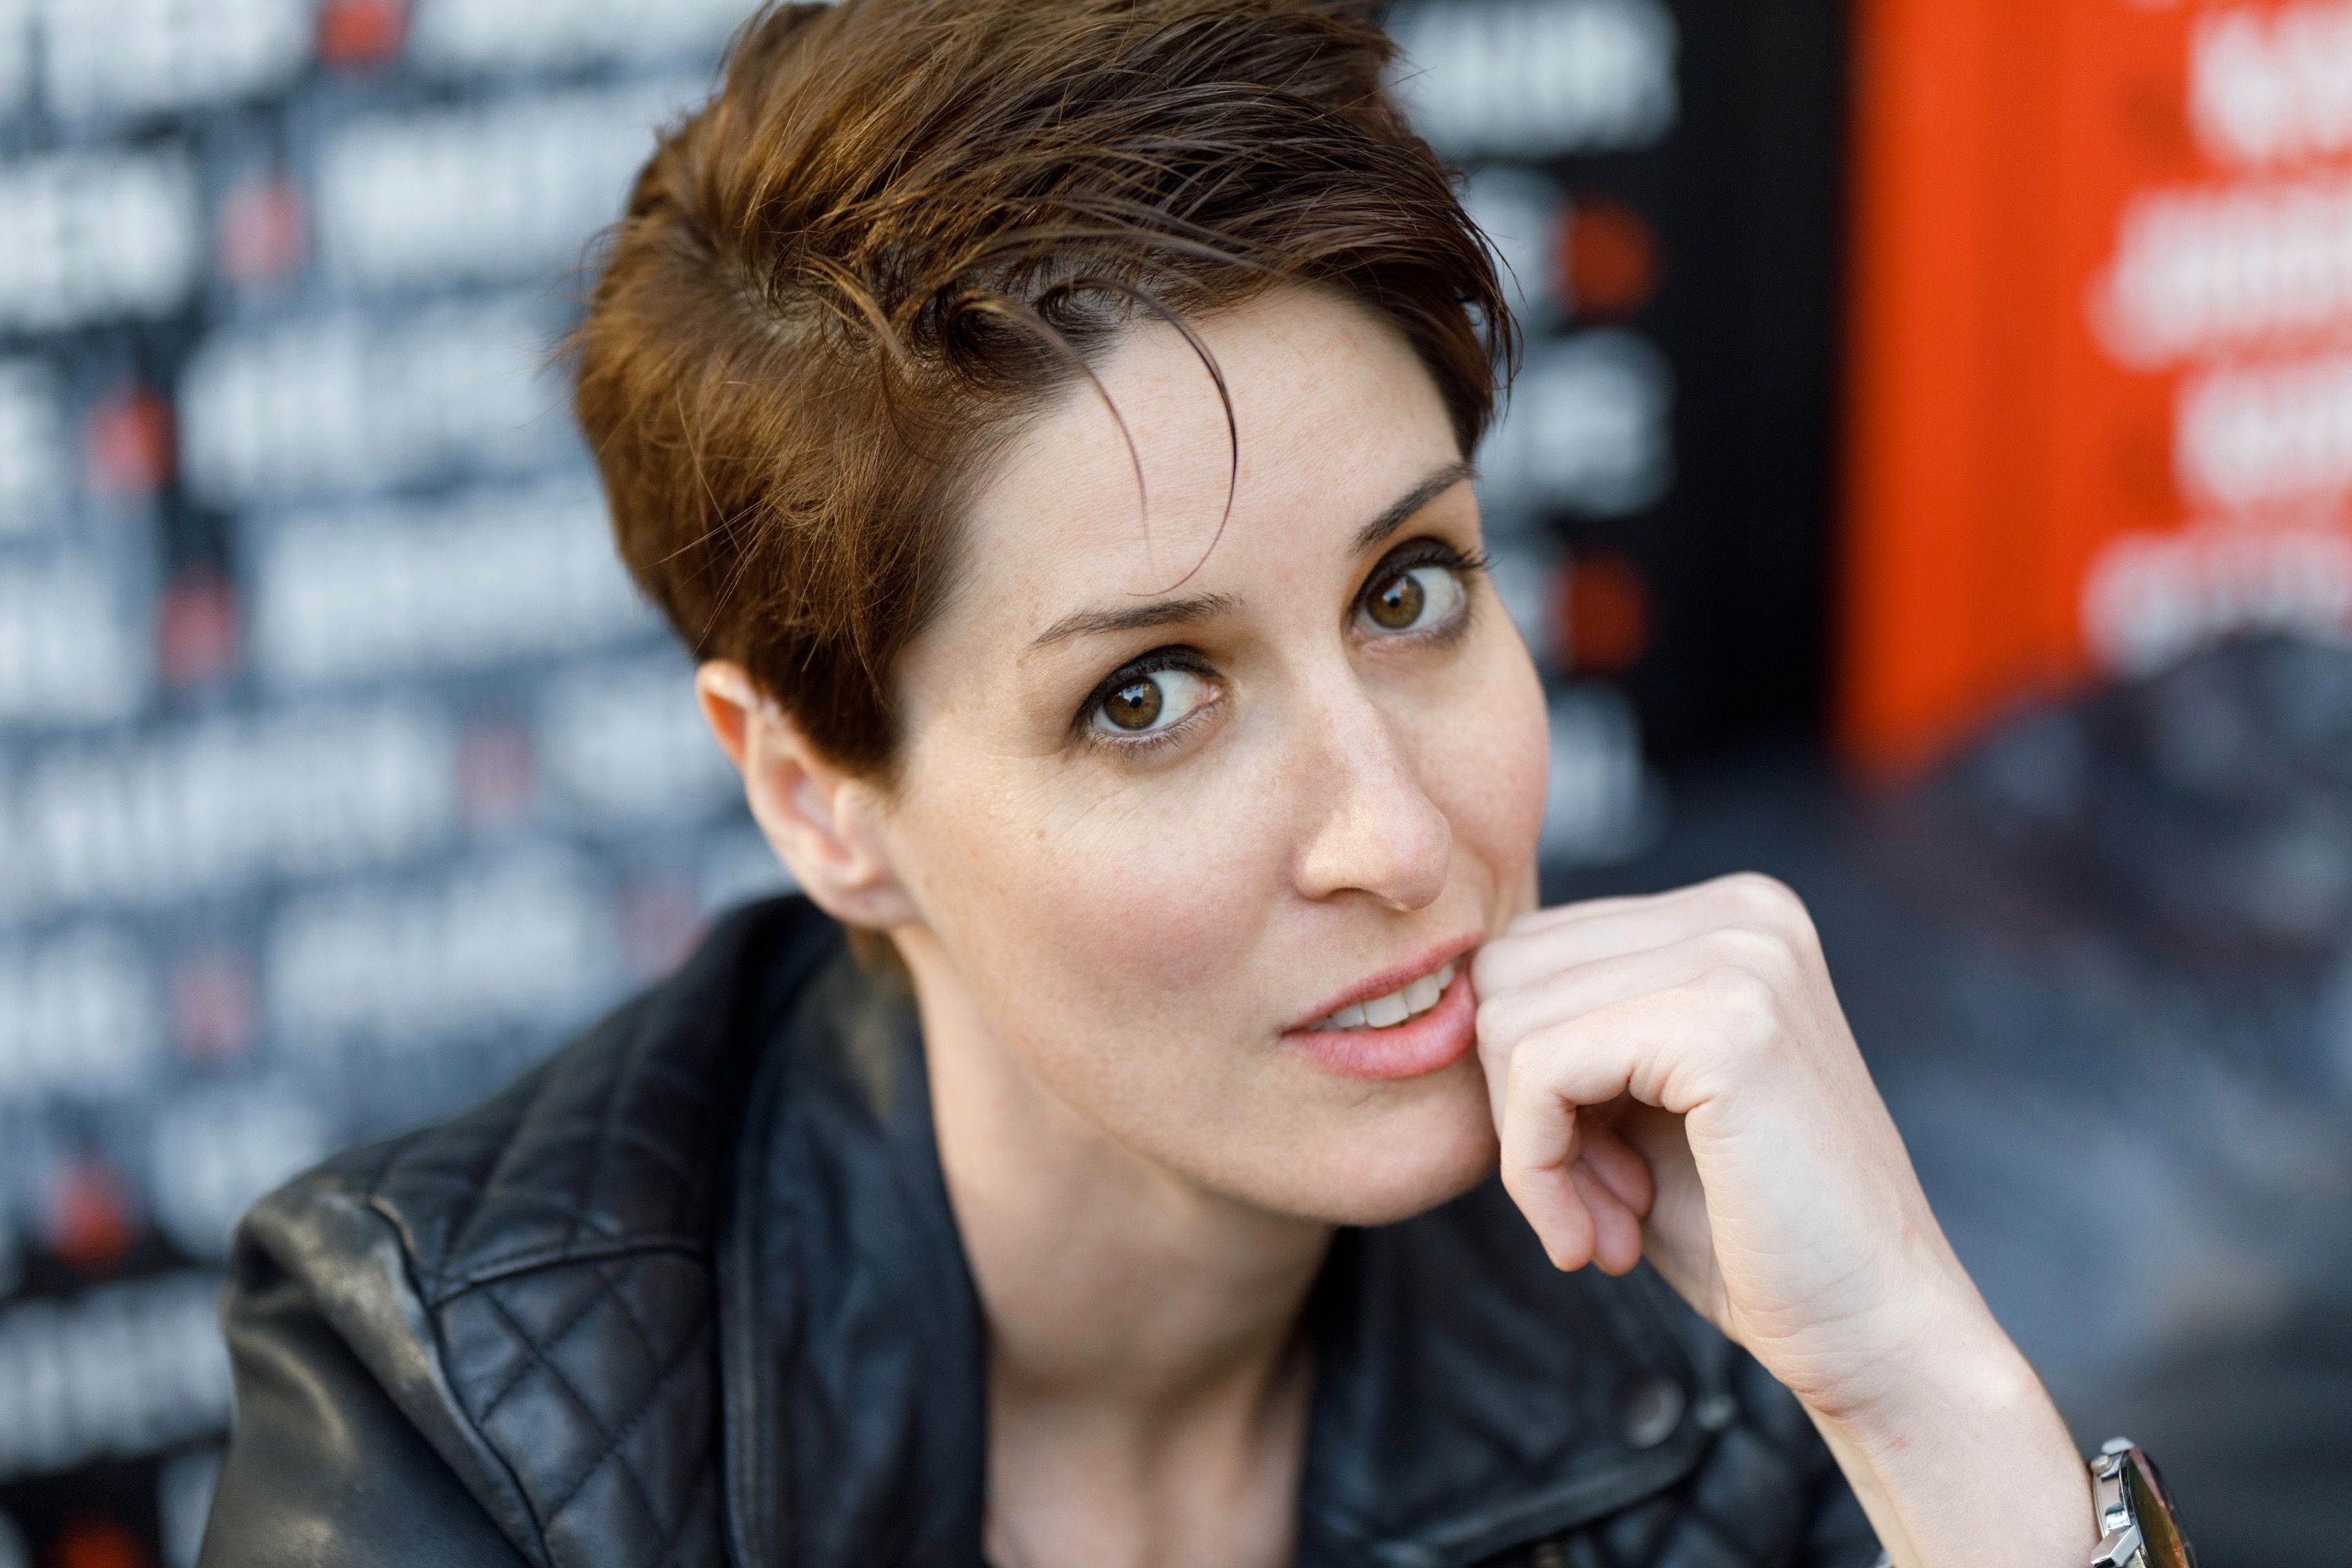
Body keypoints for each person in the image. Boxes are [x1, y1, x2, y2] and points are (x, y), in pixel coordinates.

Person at [195, 2, 2111, 1565]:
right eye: (1146, 698)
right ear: (818, 797)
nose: (1397, 836)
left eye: (1409, 589)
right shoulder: (480, 1415)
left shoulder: (1695, 1283)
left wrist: (1921, 1393)